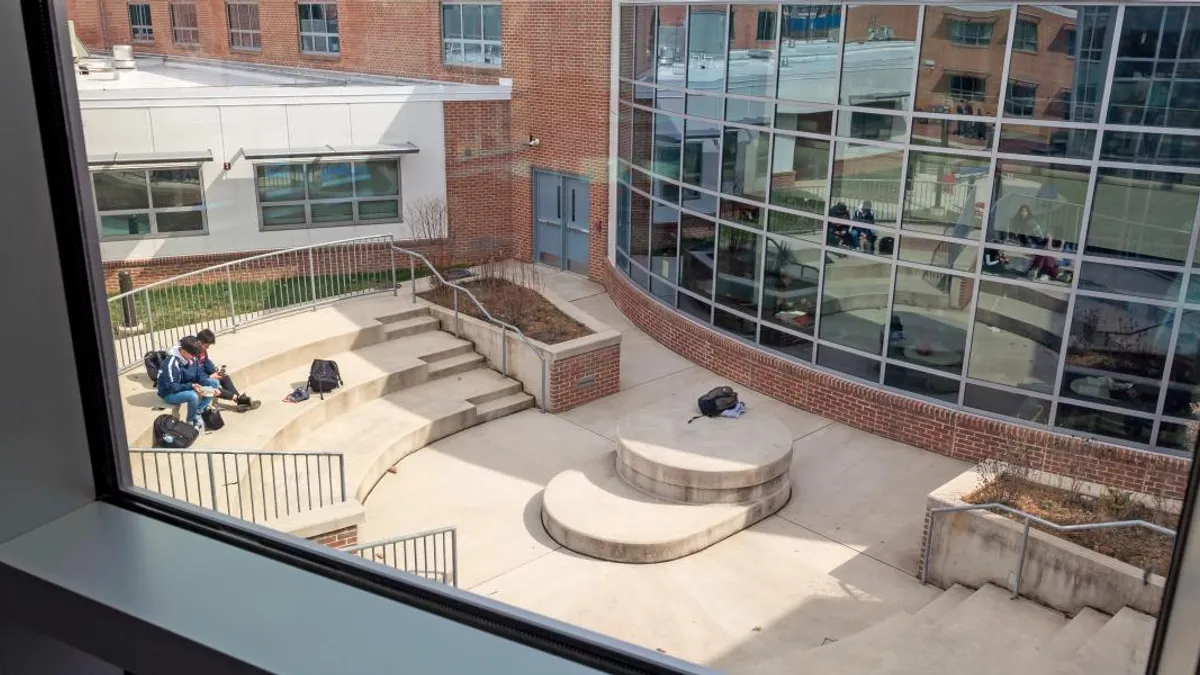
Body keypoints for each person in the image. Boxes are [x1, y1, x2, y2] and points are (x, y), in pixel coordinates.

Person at [156, 336, 216, 430]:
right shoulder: (171, 363)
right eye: (192, 355)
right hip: (169, 393)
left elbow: (199, 374)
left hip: (184, 385)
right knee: (193, 396)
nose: (193, 358)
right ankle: (190, 422)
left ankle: (198, 412)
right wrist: (191, 386)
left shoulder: (192, 356)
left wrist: (212, 389)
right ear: (183, 351)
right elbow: (173, 387)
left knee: (214, 384)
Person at [196, 328, 261, 412]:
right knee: (213, 385)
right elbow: (194, 373)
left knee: (224, 377)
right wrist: (210, 376)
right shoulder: (193, 353)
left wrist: (215, 373)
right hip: (197, 380)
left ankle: (240, 401)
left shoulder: (202, 350)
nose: (208, 347)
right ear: (200, 342)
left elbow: (206, 362)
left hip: (203, 375)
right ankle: (239, 400)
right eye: (207, 345)